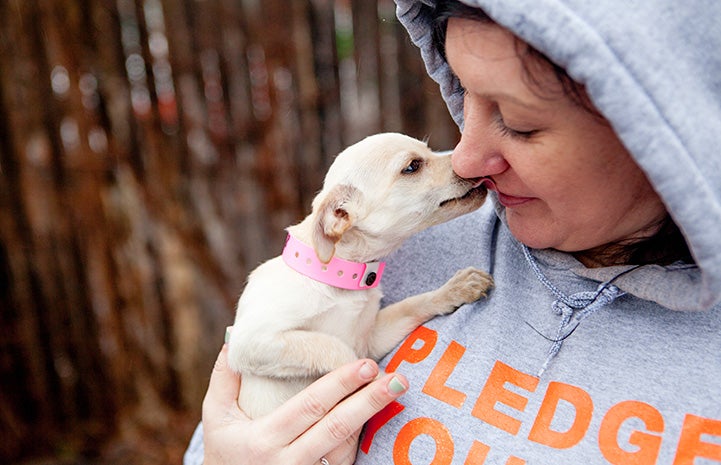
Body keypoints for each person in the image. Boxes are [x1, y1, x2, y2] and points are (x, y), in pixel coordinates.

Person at [184, 0, 721, 463]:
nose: (465, 156)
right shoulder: (398, 248)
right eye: (462, 93)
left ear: (663, 129)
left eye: (519, 120)